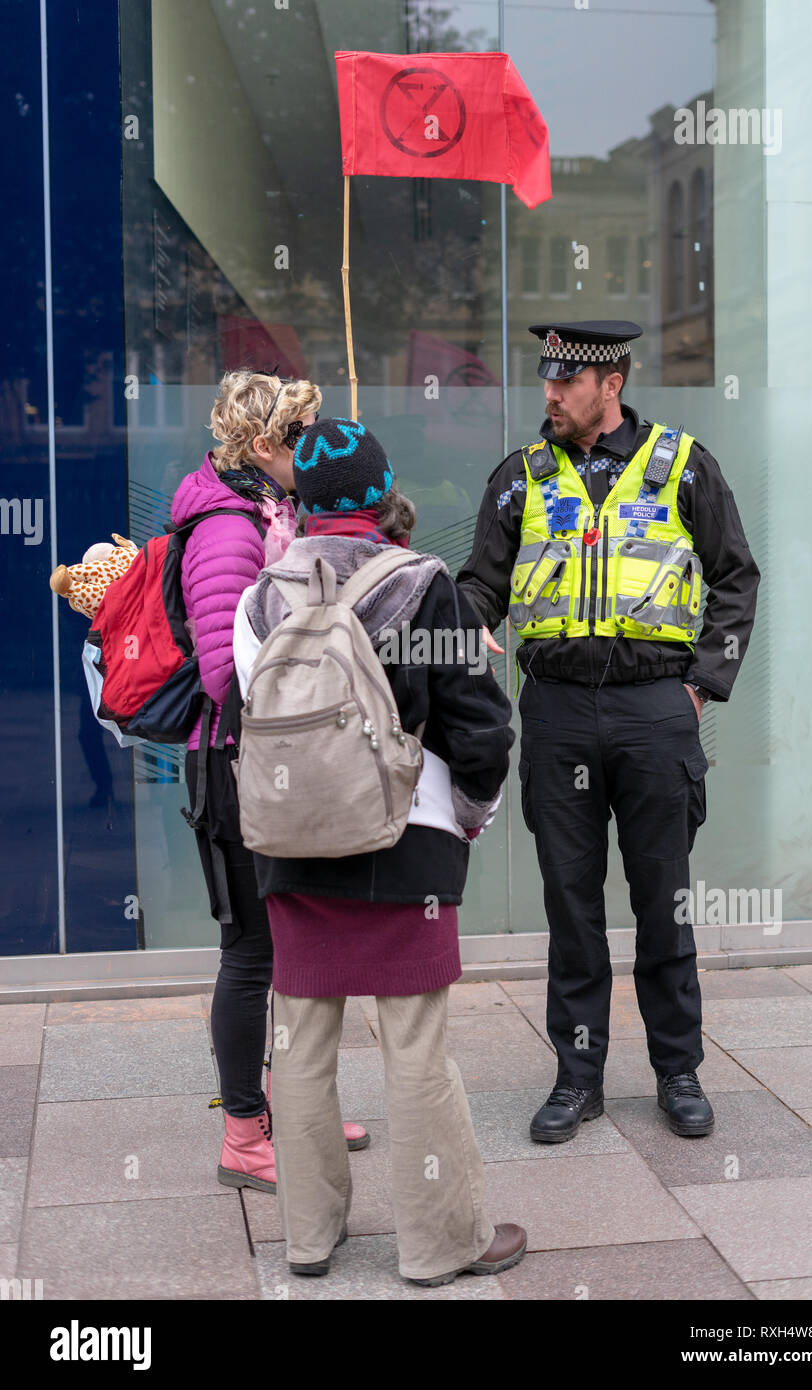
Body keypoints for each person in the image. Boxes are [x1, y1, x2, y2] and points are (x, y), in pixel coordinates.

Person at [233, 416, 527, 1285]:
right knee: (416, 1049)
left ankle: (310, 1238)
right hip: (409, 847)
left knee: (302, 1046)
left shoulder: (261, 597)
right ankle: (441, 1244)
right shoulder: (426, 585)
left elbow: (249, 709)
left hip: (292, 848)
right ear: (385, 494)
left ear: (304, 502)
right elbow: (480, 727)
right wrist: (472, 814)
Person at [456, 322, 760, 1143]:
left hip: (655, 708)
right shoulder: (520, 479)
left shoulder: (683, 465)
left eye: (565, 384)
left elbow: (736, 577)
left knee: (664, 899)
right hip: (556, 711)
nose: (549, 397)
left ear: (609, 384)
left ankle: (678, 1070)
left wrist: (703, 685)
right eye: (547, 382)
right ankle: (577, 1077)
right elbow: (479, 581)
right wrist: (470, 620)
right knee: (571, 904)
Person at [171, 372, 369, 1197]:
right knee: (251, 953)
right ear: (262, 448)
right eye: (302, 437)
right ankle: (245, 1134)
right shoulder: (224, 527)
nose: (315, 450)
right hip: (234, 764)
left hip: (269, 760)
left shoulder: (270, 511)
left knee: (288, 944)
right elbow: (226, 674)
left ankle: (293, 1110)